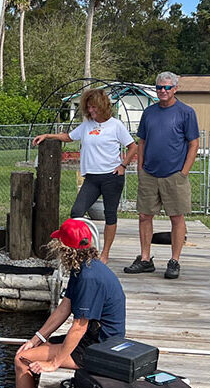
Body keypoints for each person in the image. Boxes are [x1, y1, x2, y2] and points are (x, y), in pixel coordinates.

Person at [0, 219, 126, 388]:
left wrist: (55, 363)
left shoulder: (89, 277)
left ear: (64, 248)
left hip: (100, 349)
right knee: (26, 351)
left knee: (22, 359)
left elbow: (79, 326)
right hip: (89, 339)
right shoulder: (82, 266)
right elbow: (65, 307)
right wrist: (37, 338)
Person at [32, 88, 137, 263]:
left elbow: (133, 146)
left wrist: (123, 165)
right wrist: (48, 135)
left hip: (112, 176)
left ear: (103, 106)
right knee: (77, 212)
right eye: (88, 108)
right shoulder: (87, 125)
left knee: (110, 215)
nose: (91, 111)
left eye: (94, 107)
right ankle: (82, 248)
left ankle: (105, 253)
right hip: (92, 178)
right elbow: (69, 137)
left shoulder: (116, 125)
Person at [125, 71, 199, 280]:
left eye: (167, 87)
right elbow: (142, 141)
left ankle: (174, 261)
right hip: (149, 173)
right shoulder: (149, 113)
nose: (163, 91)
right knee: (144, 216)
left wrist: (184, 171)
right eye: (159, 87)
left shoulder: (186, 112)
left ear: (175, 88)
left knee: (176, 217)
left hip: (174, 175)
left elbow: (194, 144)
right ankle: (146, 259)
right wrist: (140, 168)